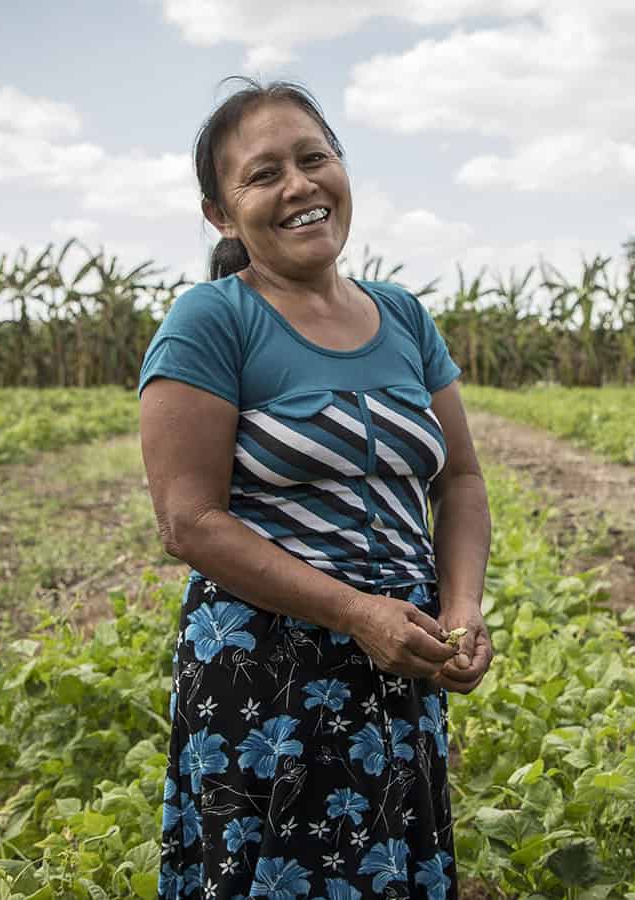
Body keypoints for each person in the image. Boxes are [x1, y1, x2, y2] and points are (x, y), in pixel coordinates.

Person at [138, 77, 493, 899]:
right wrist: (352, 611)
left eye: (314, 158)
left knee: (387, 867)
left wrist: (462, 607)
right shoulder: (211, 320)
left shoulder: (402, 315)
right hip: (268, 679)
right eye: (263, 175)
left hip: (401, 659)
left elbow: (463, 480)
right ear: (221, 215)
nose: (298, 185)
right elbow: (188, 522)